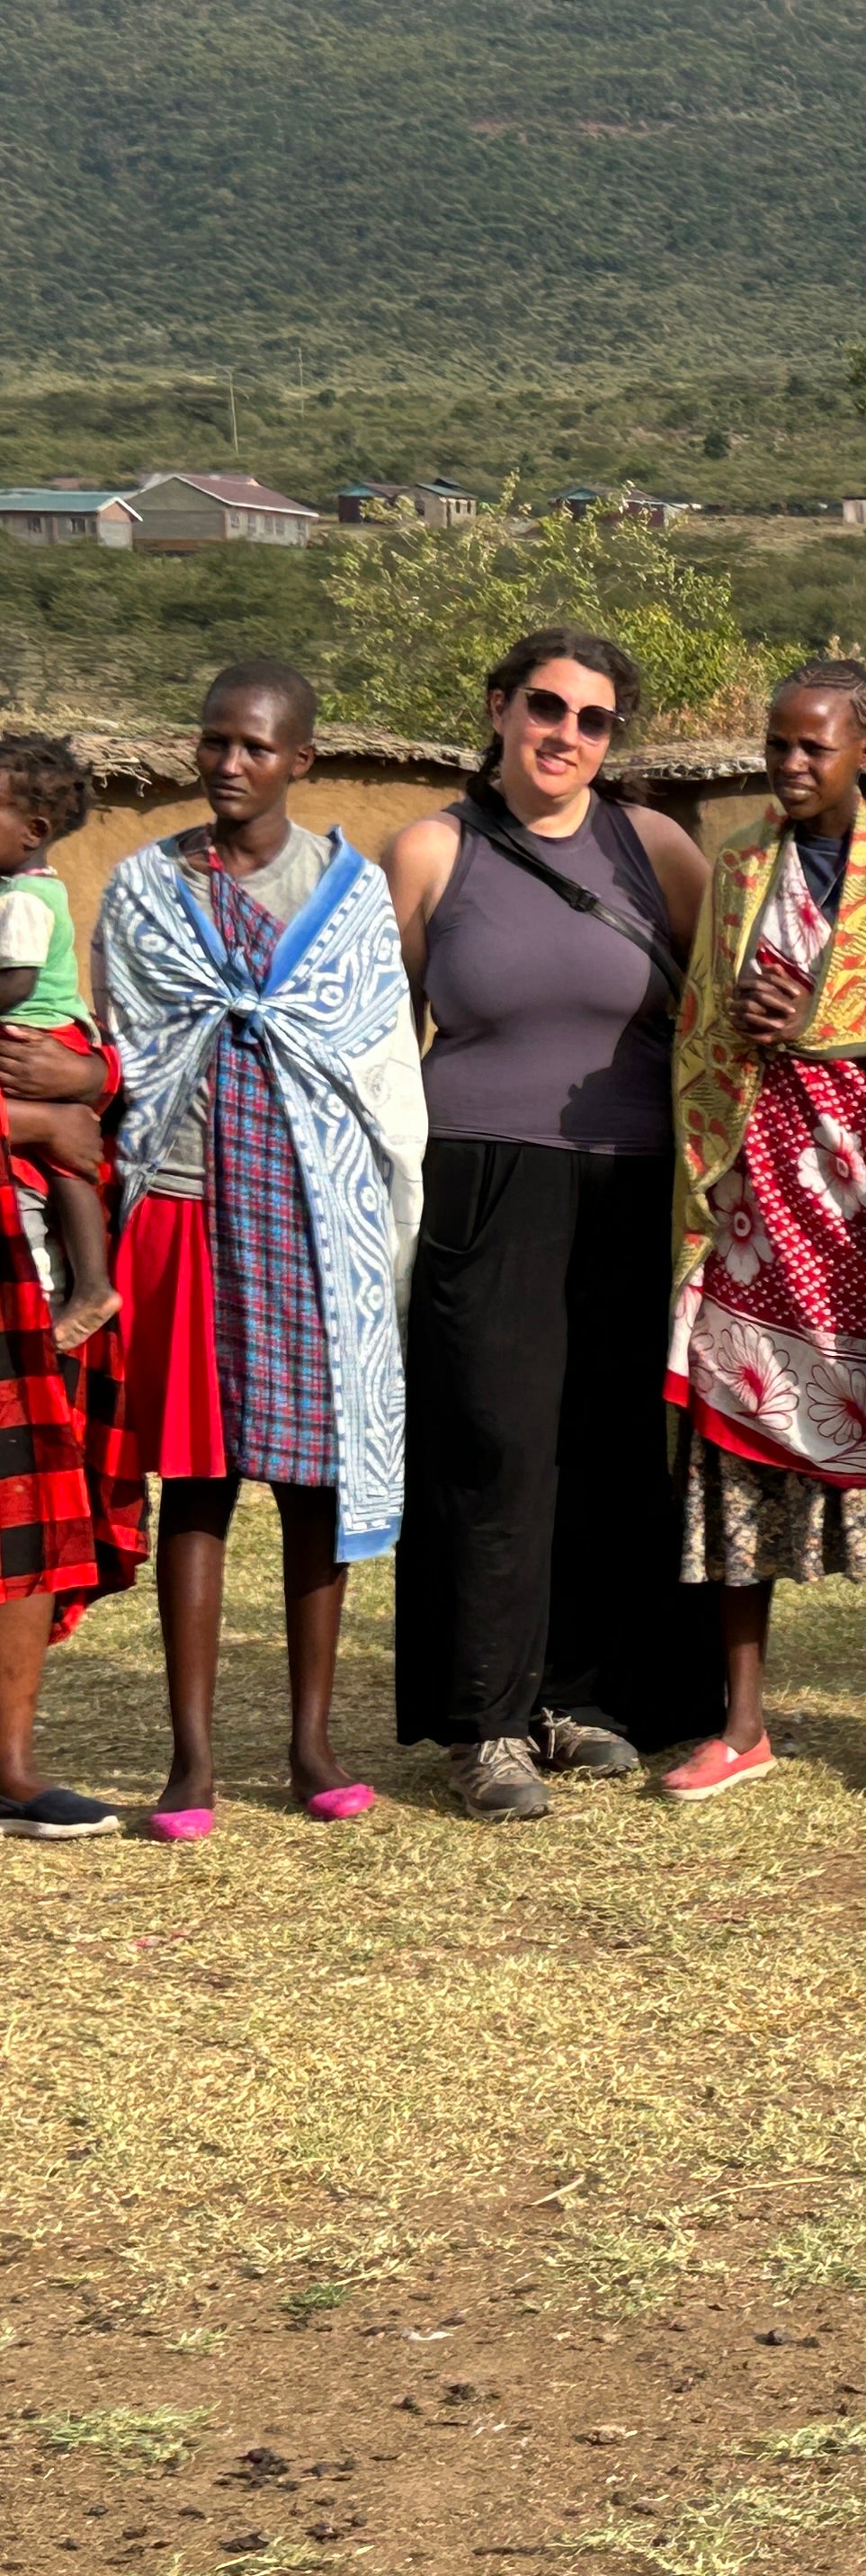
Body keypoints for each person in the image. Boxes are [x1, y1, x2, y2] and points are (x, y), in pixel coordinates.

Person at [388, 628, 723, 1818]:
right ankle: (485, 1724)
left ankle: (578, 1694)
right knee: (495, 1446)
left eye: (593, 720)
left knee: (610, 1443)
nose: (565, 736)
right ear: (497, 706)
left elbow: (722, 1001)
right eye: (545, 707)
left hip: (632, 1183)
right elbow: (380, 1041)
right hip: (485, 1183)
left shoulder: (658, 849)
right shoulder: (433, 852)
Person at [95, 663, 424, 1841]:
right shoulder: (143, 888)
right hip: (184, 1204)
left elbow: (375, 1050)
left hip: (311, 1210)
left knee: (312, 1482)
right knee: (197, 1480)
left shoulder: (344, 896)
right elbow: (126, 1044)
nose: (230, 762)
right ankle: (190, 1760)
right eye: (215, 740)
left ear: (301, 762)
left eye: (255, 745)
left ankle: (311, 1741)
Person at [660, 659, 866, 1802]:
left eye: (813, 747)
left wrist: (833, 1019)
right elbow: (698, 1022)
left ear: (864, 751)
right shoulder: (738, 866)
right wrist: (743, 1031)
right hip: (752, 1201)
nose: (790, 765)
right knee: (733, 1447)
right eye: (776, 745)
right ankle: (741, 1720)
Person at [0, 745, 140, 1844]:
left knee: (26, 1497)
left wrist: (84, 1087)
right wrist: (36, 1121)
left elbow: (99, 1072)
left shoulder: (28, 903)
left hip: (17, 1252)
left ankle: (8, 1762)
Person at [0, 736, 118, 1351]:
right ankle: (92, 1283)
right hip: (43, 1035)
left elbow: (16, 981)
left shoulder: (22, 897)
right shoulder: (20, 889)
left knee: (69, 1159)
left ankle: (93, 1285)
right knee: (64, 1151)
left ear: (34, 830)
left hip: (42, 1032)